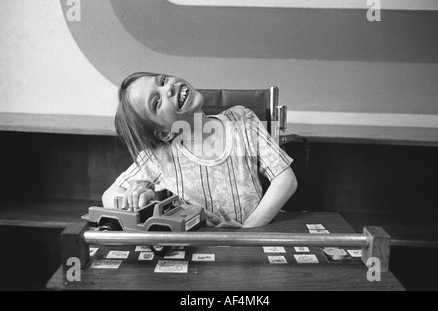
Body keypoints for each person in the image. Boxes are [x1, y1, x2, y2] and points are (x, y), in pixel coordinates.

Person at [102, 72, 297, 228]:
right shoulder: (161, 156)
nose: (168, 88)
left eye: (162, 80)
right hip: (196, 252)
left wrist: (248, 230)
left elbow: (285, 179)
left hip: (251, 242)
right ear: (164, 134)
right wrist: (140, 200)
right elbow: (108, 197)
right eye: (156, 102)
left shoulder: (242, 120)